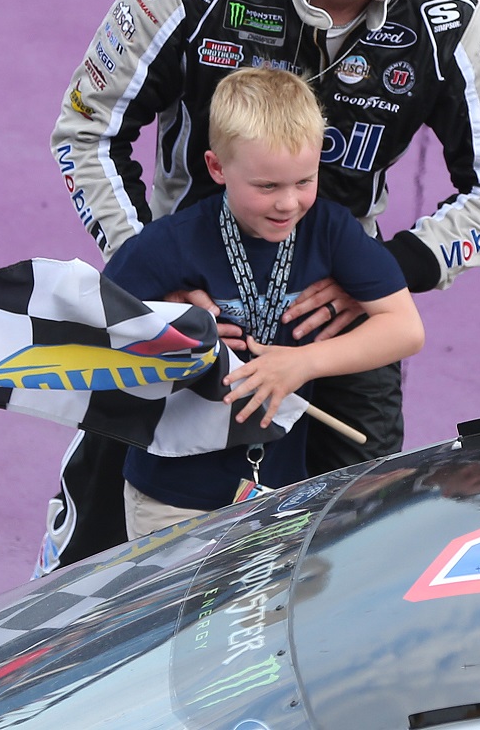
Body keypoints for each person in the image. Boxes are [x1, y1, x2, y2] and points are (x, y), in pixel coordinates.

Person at [38, 0, 480, 573]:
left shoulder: (447, 23)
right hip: (186, 317)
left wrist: (384, 276)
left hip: (331, 324)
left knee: (341, 572)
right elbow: (87, 131)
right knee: (91, 571)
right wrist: (153, 280)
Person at [103, 67, 423, 538]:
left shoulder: (329, 231)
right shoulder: (171, 244)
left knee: (259, 614)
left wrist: (302, 364)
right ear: (217, 168)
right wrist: (170, 324)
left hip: (278, 496)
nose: (288, 204)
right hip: (171, 497)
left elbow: (405, 329)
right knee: (181, 614)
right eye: (267, 187)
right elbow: (100, 333)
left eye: (303, 181)